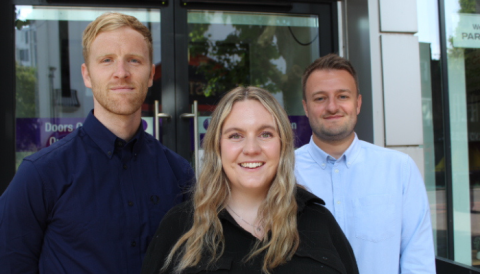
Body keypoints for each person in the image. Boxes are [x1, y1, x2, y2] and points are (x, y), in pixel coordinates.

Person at [0, 13, 194, 274]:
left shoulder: (179, 173)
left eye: (134, 61)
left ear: (150, 75)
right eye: (107, 60)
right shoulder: (40, 174)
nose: (121, 73)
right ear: (87, 75)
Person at [141, 86, 358, 274]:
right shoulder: (179, 227)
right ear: (217, 147)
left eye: (265, 134)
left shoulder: (319, 222)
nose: (252, 149)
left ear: (282, 145)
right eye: (236, 135)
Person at [295, 53, 435, 274]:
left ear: (358, 103)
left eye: (342, 96)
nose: (332, 107)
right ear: (305, 107)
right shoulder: (284, 171)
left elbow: (418, 259)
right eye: (320, 98)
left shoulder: (399, 169)